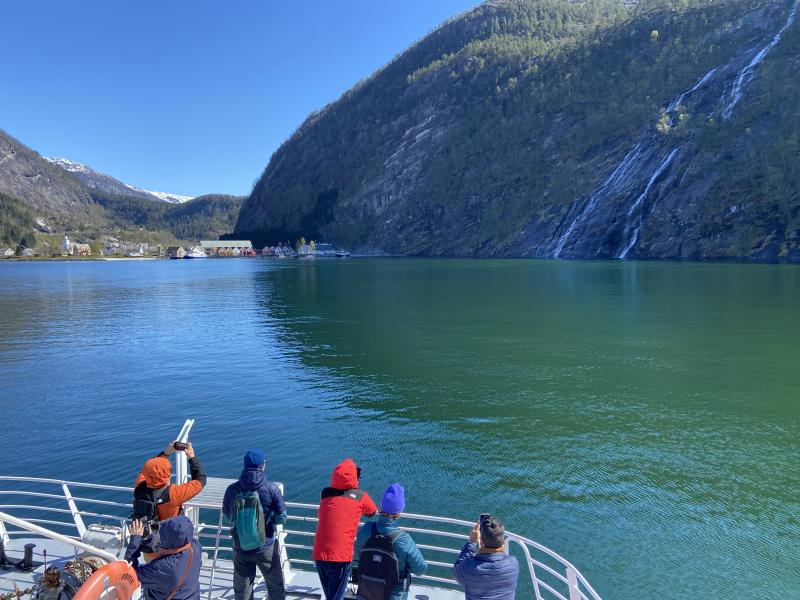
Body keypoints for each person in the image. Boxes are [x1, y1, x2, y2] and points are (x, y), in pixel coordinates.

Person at [222, 449, 288, 600]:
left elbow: (229, 519)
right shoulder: (272, 489)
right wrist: (266, 522)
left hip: (241, 547)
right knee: (275, 588)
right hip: (266, 546)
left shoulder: (232, 489)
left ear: (244, 466)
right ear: (263, 466)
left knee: (242, 592)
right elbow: (282, 518)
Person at [313, 459, 377, 600]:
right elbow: (372, 512)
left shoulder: (325, 493)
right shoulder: (360, 496)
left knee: (331, 593)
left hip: (319, 553)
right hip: (340, 556)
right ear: (355, 477)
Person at [353, 483, 427, 600]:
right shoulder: (403, 539)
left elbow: (358, 554)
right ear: (398, 513)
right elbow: (420, 569)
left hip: (366, 591)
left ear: (381, 507)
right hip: (392, 595)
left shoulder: (366, 529)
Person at [132, 441, 207, 554]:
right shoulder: (173, 494)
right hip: (171, 546)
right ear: (168, 474)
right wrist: (192, 457)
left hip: (149, 545)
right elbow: (200, 480)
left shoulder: (139, 486)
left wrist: (166, 453)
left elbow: (149, 468)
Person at [126, 515, 201, 600]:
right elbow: (172, 547)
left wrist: (135, 539)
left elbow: (128, 577)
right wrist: (151, 538)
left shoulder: (161, 567)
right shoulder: (196, 547)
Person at [452, 514, 519, 600]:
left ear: (481, 541)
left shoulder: (469, 567)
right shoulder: (513, 563)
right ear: (503, 541)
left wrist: (471, 543)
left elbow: (455, 574)